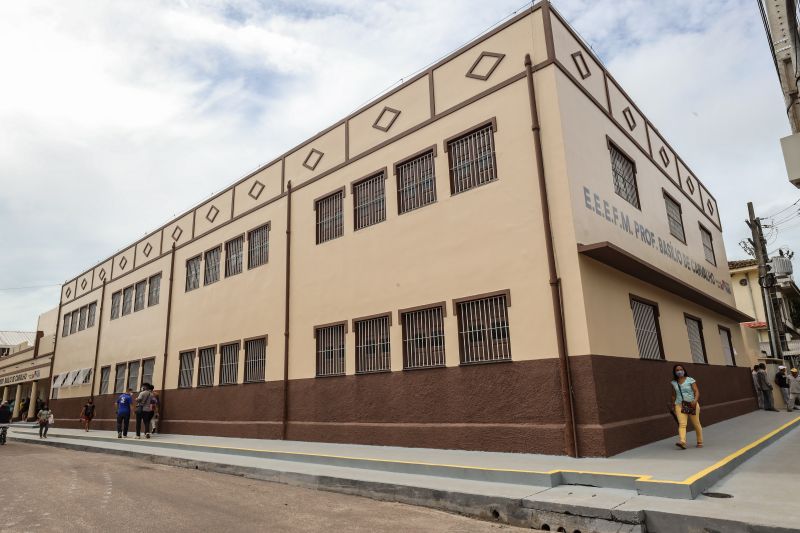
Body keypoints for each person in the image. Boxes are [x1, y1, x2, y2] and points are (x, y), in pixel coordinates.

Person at [670, 364, 703, 449]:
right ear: (675, 372)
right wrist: (673, 405)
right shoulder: (674, 383)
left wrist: (695, 401)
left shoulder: (690, 380)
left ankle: (700, 441)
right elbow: (673, 395)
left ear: (684, 370)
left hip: (691, 404)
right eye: (677, 370)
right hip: (679, 405)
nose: (679, 371)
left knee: (696, 424)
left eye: (681, 369)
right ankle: (682, 442)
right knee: (682, 424)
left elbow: (696, 391)